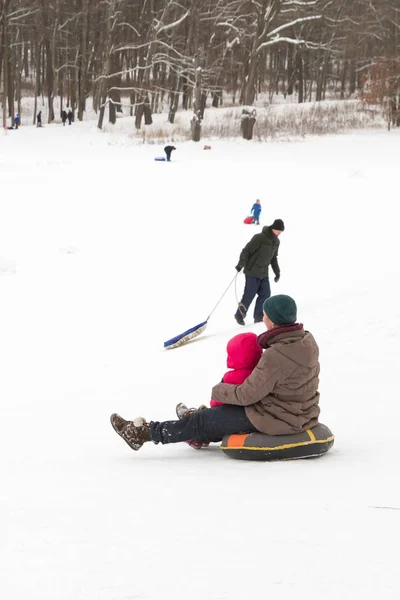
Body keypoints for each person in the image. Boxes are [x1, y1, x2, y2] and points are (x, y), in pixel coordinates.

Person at [110, 294, 321, 452]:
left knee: (203, 420)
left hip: (278, 417)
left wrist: (219, 390)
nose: (263, 318)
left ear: (273, 321)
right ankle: (195, 425)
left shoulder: (275, 355)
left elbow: (247, 395)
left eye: (265, 315)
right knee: (211, 418)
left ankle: (142, 433)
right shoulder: (306, 341)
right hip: (297, 411)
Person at [177, 332, 263, 449]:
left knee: (213, 421)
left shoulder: (232, 377)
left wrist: (212, 409)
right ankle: (197, 415)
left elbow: (217, 402)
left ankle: (195, 436)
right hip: (254, 417)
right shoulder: (263, 374)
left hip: (233, 419)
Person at [234, 218, 284, 326]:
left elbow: (273, 258)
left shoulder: (276, 242)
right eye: (278, 231)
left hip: (264, 273)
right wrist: (240, 264)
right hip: (252, 271)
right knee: (249, 294)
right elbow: (246, 251)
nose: (279, 233)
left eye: (281, 232)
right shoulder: (259, 238)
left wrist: (277, 272)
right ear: (273, 228)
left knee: (265, 294)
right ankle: (239, 315)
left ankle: (259, 317)